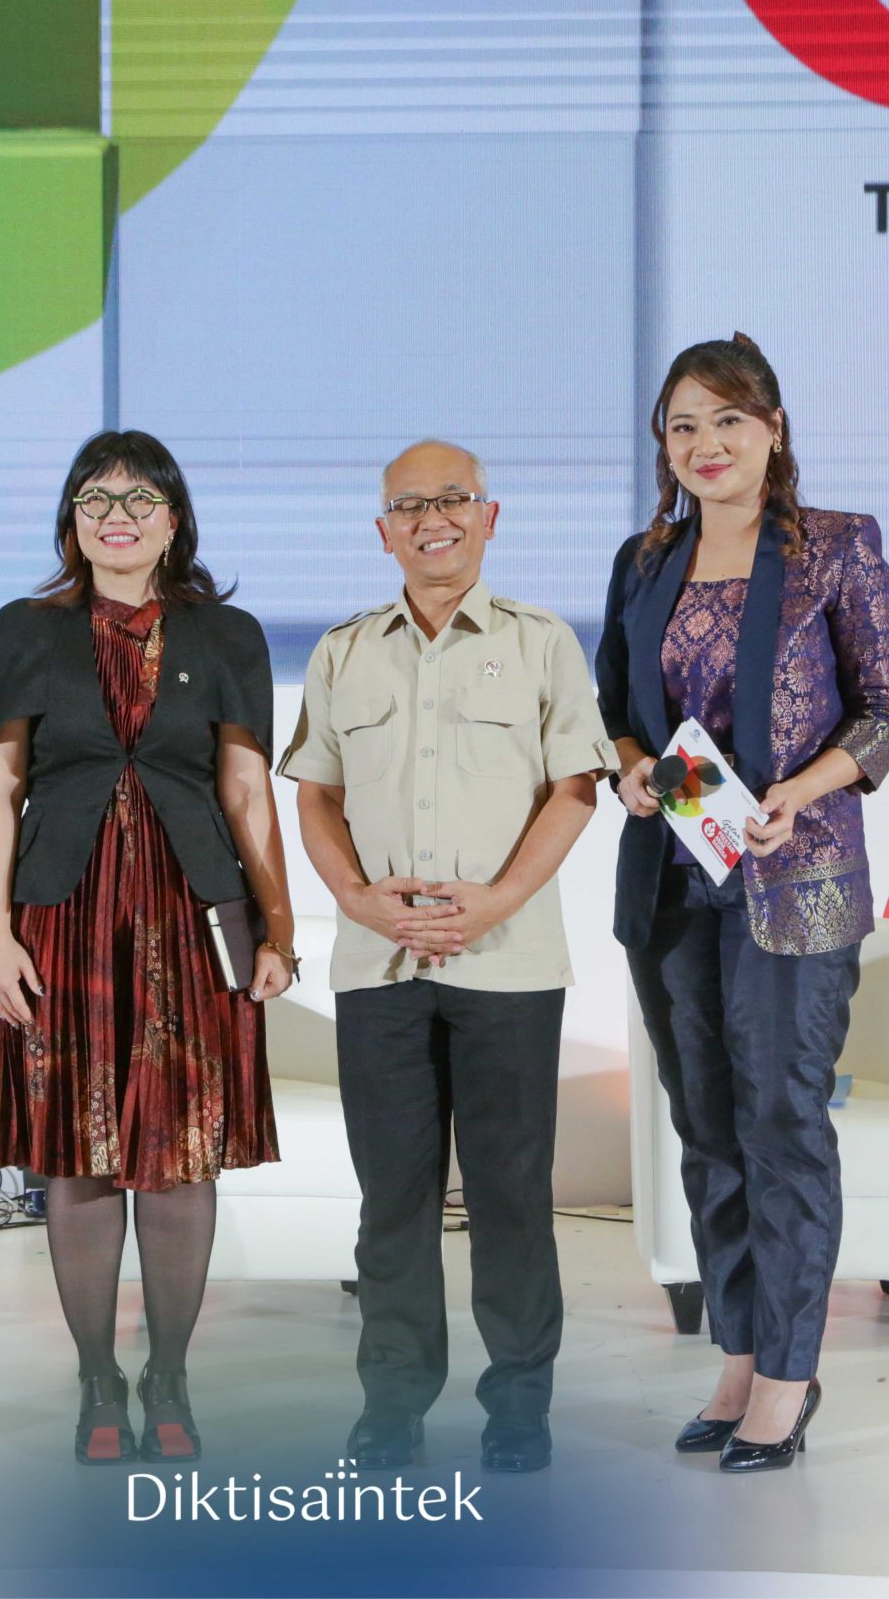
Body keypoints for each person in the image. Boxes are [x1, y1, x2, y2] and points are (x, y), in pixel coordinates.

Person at [596, 335, 889, 1474]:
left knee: (782, 1123)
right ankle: (737, 1355)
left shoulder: (836, 545)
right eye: (682, 426)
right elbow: (612, 707)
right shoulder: (646, 559)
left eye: (727, 420)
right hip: (675, 876)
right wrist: (632, 769)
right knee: (708, 1127)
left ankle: (787, 1373)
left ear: (772, 428)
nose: (706, 444)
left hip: (794, 873)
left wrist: (799, 792)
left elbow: (886, 711)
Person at [281, 441, 615, 1474]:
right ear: (383, 530)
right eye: (410, 505)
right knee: (393, 1202)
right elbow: (317, 796)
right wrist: (354, 899)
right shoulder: (345, 651)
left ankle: (519, 1404)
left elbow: (576, 789)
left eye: (453, 499)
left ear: (489, 516)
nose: (434, 519)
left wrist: (497, 902)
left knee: (511, 1197)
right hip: (379, 970)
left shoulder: (541, 643)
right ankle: (392, 1405)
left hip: (507, 965)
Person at [0, 430, 296, 1466]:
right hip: (63, 920)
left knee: (184, 1154)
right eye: (97, 498)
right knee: (79, 1153)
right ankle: (98, 1379)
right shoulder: (25, 629)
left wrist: (277, 929)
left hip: (192, 916)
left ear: (174, 518)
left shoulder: (227, 633)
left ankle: (171, 1376)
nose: (119, 515)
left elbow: (246, 791)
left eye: (141, 498)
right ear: (71, 519)